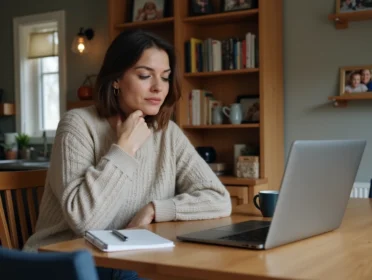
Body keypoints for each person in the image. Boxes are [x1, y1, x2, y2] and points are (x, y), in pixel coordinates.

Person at [23, 29, 232, 279]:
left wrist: (156, 208)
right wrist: (124, 149)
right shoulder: (77, 125)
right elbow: (85, 222)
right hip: (65, 261)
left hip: (128, 259)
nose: (158, 87)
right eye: (145, 75)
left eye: (165, 77)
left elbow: (219, 199)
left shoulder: (167, 133)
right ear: (116, 80)